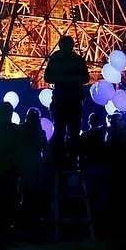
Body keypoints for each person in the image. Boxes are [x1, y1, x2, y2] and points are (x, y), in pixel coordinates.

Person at [42, 35, 90, 165]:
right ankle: (62, 159)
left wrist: (63, 78)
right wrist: (72, 79)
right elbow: (47, 77)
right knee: (63, 131)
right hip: (65, 100)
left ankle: (69, 159)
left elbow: (86, 78)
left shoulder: (72, 59)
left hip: (69, 100)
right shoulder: (59, 59)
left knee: (69, 131)